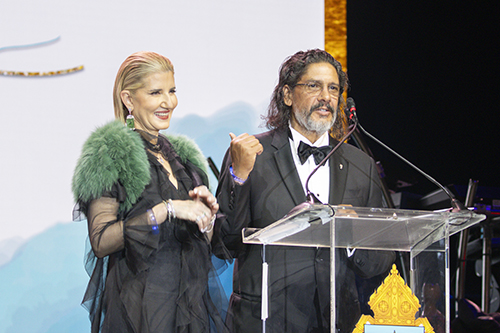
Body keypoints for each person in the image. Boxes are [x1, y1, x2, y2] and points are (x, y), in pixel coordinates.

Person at [215, 49, 395, 332]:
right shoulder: (252, 154)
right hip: (265, 320)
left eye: (333, 88)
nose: (326, 96)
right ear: (287, 95)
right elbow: (224, 244)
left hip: (337, 321)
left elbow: (380, 260)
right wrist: (239, 177)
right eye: (314, 86)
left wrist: (351, 236)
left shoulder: (361, 165)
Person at [72, 51, 230, 333]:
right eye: (156, 92)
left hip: (188, 308)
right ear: (128, 99)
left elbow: (205, 243)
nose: (168, 102)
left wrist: (206, 217)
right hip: (139, 310)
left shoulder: (183, 158)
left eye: (172, 90)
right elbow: (101, 240)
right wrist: (168, 209)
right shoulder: (110, 154)